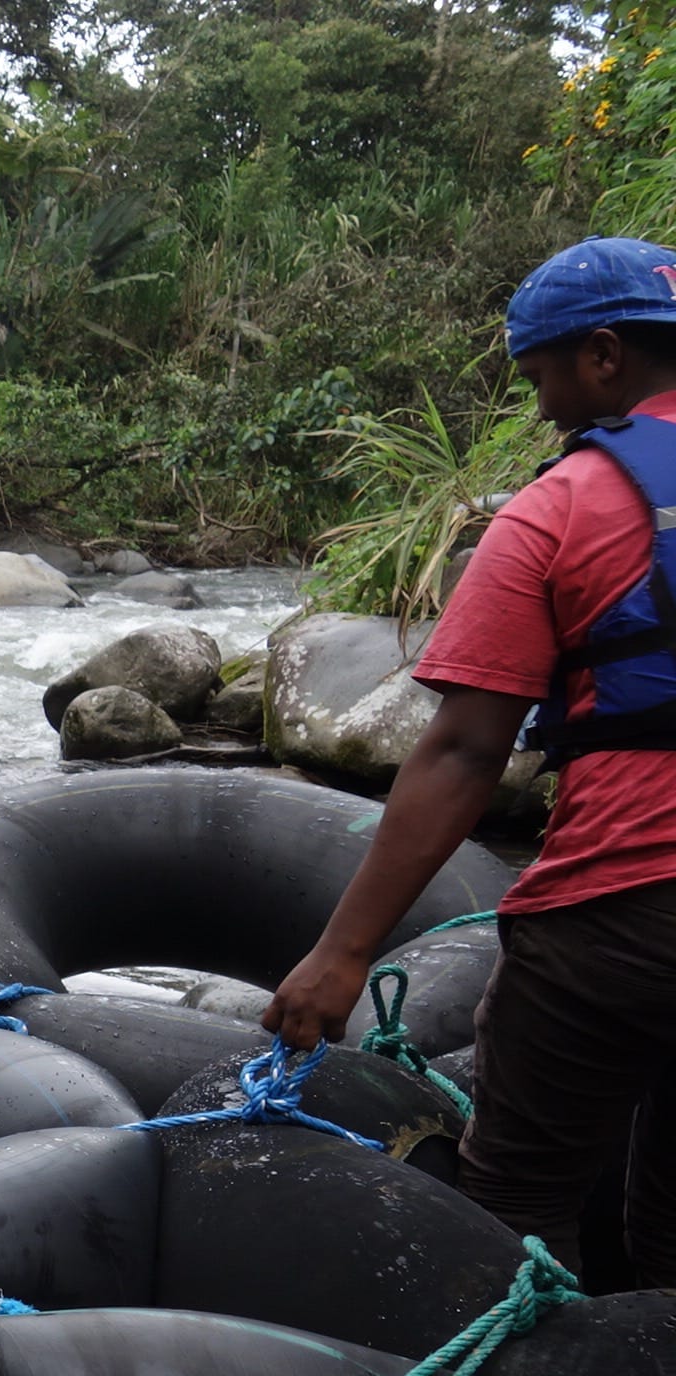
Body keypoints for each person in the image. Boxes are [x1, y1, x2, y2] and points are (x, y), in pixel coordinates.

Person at [265, 236, 676, 1289]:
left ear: (603, 356)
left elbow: (463, 750)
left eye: (540, 379)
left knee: (518, 1207)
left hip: (625, 907)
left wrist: (344, 955)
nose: (542, 409)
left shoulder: (564, 504)